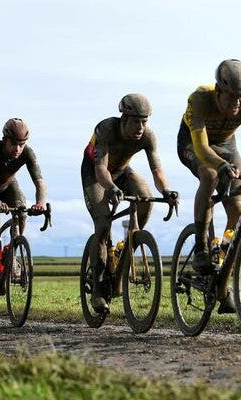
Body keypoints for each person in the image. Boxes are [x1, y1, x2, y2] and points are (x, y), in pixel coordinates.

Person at [82, 93, 176, 312]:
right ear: (123, 119)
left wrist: (166, 190)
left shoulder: (148, 137)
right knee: (103, 223)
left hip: (123, 171)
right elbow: (101, 169)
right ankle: (98, 288)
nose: (141, 127)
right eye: (136, 121)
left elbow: (157, 170)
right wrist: (112, 188)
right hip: (96, 173)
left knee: (146, 199)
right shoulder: (106, 129)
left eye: (144, 122)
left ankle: (125, 253)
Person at [177, 59, 241, 313]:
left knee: (236, 204)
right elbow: (202, 148)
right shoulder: (200, 99)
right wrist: (221, 165)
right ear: (218, 90)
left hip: (227, 145)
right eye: (232, 97)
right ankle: (202, 247)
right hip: (194, 142)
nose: (236, 103)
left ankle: (224, 252)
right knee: (210, 175)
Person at [0, 117, 47, 307]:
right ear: (5, 140)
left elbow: (39, 181)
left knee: (21, 208)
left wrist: (40, 202)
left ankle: (14, 250)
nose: (17, 149)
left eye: (21, 145)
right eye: (14, 144)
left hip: (8, 186)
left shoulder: (27, 153)